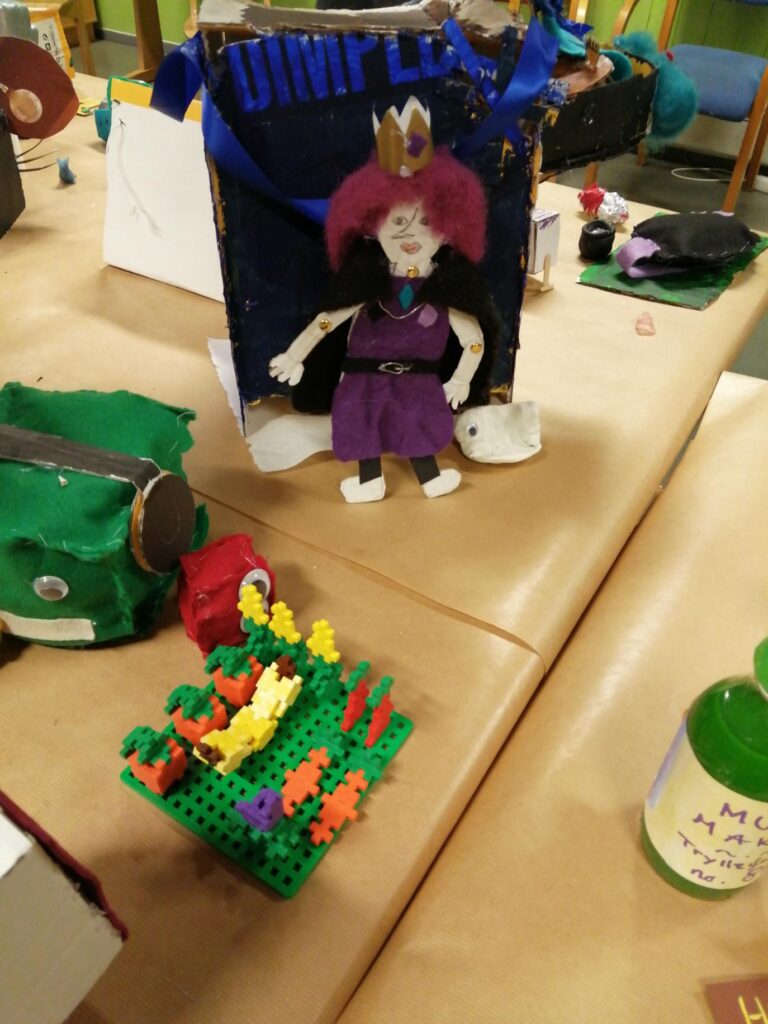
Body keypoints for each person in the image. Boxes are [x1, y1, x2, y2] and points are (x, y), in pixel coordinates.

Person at [269, 97, 497, 503]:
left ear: (449, 230)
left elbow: (473, 340)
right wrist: (295, 355)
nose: (411, 233)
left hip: (420, 380)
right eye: (398, 221)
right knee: (362, 423)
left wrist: (461, 379)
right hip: (362, 377)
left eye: (426, 221)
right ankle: (369, 480)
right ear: (371, 226)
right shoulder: (366, 282)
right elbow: (329, 320)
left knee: (419, 424)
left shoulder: (446, 288)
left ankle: (429, 478)